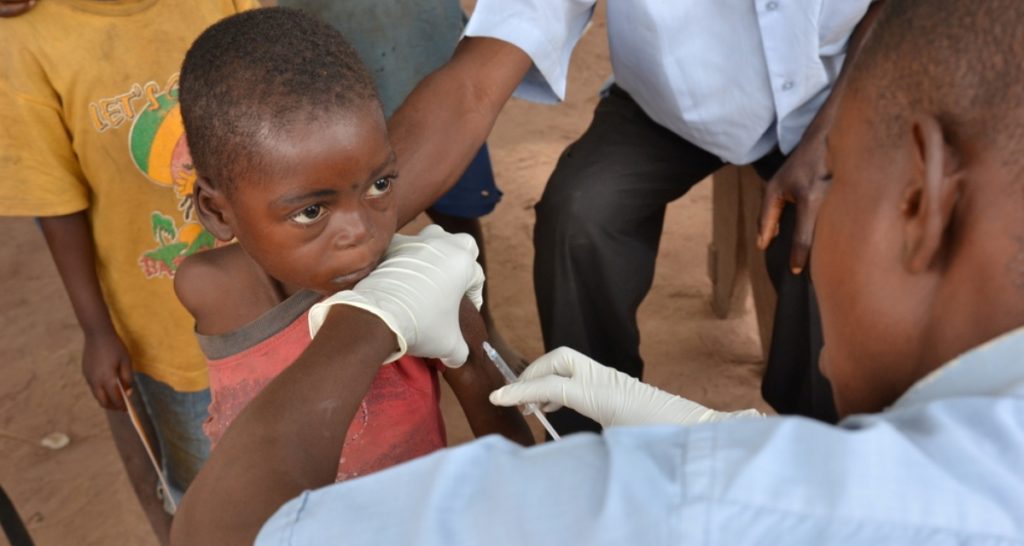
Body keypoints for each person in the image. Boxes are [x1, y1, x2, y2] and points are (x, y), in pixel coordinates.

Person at [172, 0, 1024, 543]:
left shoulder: (693, 510)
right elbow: (476, 81)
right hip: (674, 117)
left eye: (842, 174)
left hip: (818, 108)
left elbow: (224, 532)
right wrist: (714, 432)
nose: (358, 231)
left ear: (924, 200)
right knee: (581, 209)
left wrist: (369, 321)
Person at [378, 0, 885, 433]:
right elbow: (473, 86)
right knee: (581, 213)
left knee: (828, 237)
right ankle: (588, 435)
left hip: (836, 94)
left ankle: (823, 439)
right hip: (671, 104)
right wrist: (365, 226)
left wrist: (831, 132)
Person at [173, 8, 532, 480]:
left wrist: (468, 357)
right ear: (217, 212)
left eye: (380, 185)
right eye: (311, 212)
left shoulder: (421, 289)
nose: (361, 231)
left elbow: (514, 456)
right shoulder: (208, 289)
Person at [0, 0, 256, 541]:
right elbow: (58, 204)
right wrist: (97, 330)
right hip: (166, 333)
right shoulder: (27, 42)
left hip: (280, 296)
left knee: (306, 448)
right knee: (206, 489)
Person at [278, 0, 525, 368]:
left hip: (417, 34)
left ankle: (481, 327)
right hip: (323, 35)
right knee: (326, 188)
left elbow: (471, 92)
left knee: (453, 197)